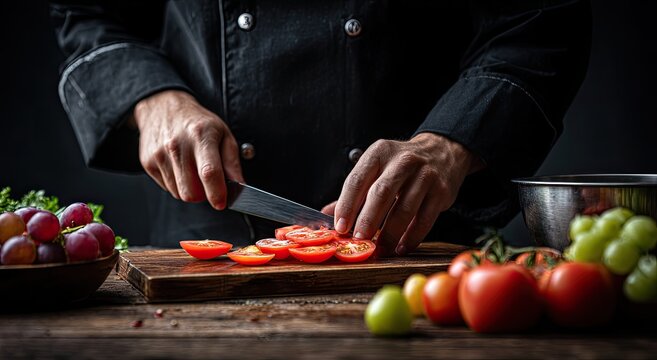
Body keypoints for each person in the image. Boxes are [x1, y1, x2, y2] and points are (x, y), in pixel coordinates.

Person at [50, 1, 591, 255]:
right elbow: (86, 13)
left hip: (416, 245)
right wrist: (153, 99)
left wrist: (450, 142)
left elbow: (540, 22)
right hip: (205, 241)